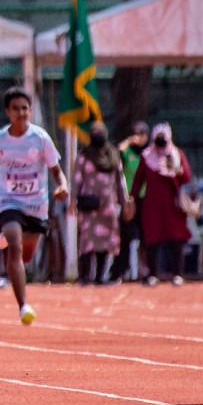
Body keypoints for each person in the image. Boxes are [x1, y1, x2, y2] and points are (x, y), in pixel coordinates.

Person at [0, 87, 69, 324]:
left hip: (36, 203)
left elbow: (56, 169)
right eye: (16, 109)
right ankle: (23, 305)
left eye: (25, 108)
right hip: (7, 200)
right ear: (7, 112)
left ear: (30, 110)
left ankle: (8, 239)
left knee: (26, 254)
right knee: (15, 246)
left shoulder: (40, 138)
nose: (21, 113)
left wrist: (63, 186)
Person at [131, 123, 193, 286]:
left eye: (163, 140)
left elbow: (186, 177)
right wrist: (132, 199)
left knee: (176, 238)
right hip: (152, 205)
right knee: (152, 238)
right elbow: (138, 181)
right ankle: (152, 274)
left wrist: (177, 170)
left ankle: (177, 273)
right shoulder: (146, 157)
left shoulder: (176, 154)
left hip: (173, 205)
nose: (161, 143)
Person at [74, 121, 132, 284]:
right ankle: (85, 276)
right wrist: (73, 199)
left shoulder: (113, 155)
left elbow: (120, 181)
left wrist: (125, 201)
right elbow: (76, 179)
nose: (96, 134)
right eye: (93, 132)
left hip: (109, 207)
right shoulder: (84, 155)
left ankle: (100, 276)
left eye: (99, 132)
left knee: (105, 244)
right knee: (86, 241)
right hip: (89, 207)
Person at [107, 122, 149, 282]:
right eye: (135, 133)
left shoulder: (150, 153)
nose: (138, 137)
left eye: (141, 134)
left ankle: (146, 272)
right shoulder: (128, 153)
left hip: (147, 200)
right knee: (125, 237)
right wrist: (129, 141)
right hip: (130, 201)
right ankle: (119, 271)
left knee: (146, 238)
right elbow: (115, 155)